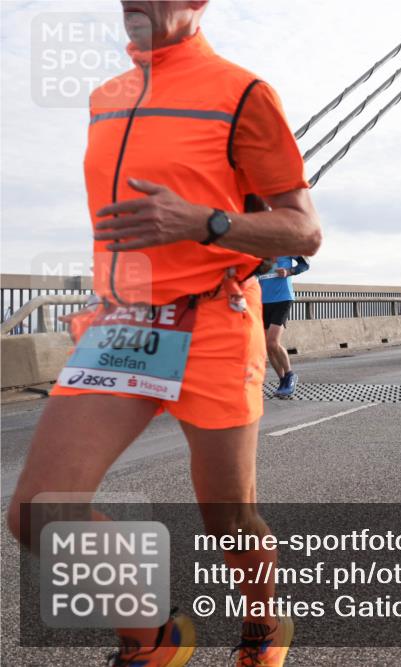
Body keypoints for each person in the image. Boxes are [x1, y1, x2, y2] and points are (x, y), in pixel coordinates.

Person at [7, 4, 323, 666]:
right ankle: (155, 635)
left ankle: (264, 623)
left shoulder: (243, 94)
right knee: (38, 510)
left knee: (228, 519)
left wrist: (205, 223)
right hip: (125, 322)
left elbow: (304, 231)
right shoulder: (106, 97)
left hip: (213, 320)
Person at [259, 256, 309, 398]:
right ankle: (283, 380)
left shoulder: (286, 246)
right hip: (263, 300)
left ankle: (290, 375)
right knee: (268, 346)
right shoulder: (259, 249)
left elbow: (305, 264)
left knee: (272, 342)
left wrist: (289, 271)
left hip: (283, 298)